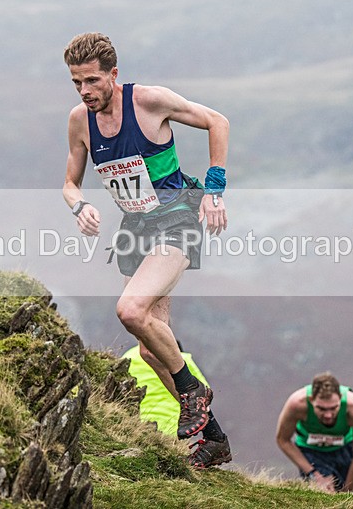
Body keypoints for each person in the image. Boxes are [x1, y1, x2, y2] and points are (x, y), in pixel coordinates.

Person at [62, 32, 231, 468]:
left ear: (113, 74)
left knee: (130, 310)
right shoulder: (80, 121)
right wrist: (79, 206)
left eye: (93, 80)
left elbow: (218, 121)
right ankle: (214, 439)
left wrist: (214, 190)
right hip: (135, 229)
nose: (85, 91)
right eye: (77, 82)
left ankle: (192, 391)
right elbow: (70, 183)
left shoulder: (149, 102)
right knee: (151, 349)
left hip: (177, 218)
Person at [275, 372, 353, 492]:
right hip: (310, 450)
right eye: (321, 409)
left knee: (339, 493)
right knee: (324, 491)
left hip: (344, 448)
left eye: (333, 408)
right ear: (311, 400)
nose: (328, 415)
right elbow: (283, 440)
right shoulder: (297, 405)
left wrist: (347, 492)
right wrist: (313, 474)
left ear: (341, 398)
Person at [122, 340, 210, 436]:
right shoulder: (183, 361)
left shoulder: (130, 355)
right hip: (174, 425)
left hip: (138, 421)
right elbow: (204, 392)